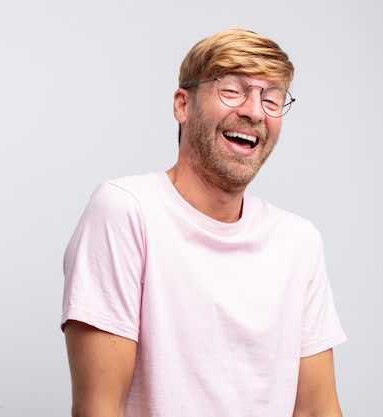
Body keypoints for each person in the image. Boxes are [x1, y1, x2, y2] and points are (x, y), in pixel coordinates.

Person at [60, 28, 347, 417]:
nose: (254, 110)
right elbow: (99, 408)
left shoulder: (298, 241)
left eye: (272, 98)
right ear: (182, 104)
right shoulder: (127, 211)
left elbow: (318, 410)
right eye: (232, 89)